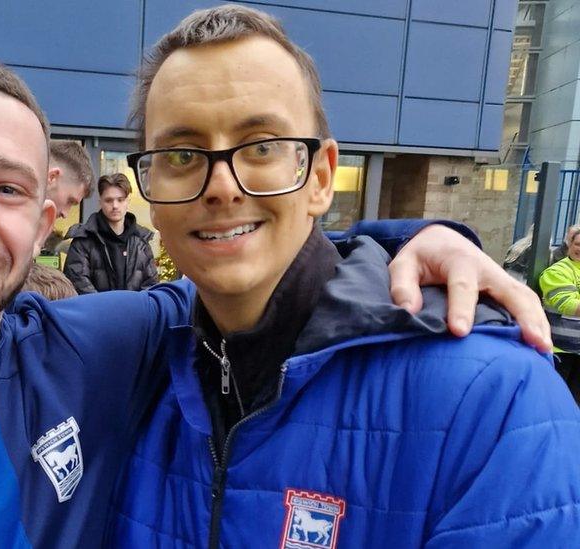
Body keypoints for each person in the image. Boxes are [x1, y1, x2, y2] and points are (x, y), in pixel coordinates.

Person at [0, 17, 555, 549]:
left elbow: (284, 272)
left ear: (47, 218)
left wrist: (422, 238)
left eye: (7, 187)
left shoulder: (94, 353)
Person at [109, 6, 579, 546]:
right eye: (183, 154)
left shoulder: (494, 401)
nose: (221, 186)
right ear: (150, 188)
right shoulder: (131, 374)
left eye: (261, 146)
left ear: (321, 177)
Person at [63, 173, 158, 293]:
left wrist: (134, 309)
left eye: (120, 200)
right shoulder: (83, 240)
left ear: (127, 201)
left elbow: (151, 286)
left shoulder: (141, 242)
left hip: (134, 311)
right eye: (109, 200)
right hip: (96, 311)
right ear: (100, 202)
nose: (115, 206)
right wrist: (108, 309)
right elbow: (77, 283)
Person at [539, 225, 580, 401]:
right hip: (561, 353)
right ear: (569, 244)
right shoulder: (557, 271)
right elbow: (568, 304)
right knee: (556, 401)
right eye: (578, 244)